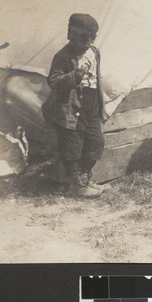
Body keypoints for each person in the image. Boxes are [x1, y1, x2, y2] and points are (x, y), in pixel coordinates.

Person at [45, 13, 107, 197]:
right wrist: (75, 76)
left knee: (96, 143)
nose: (88, 43)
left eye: (91, 39)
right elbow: (53, 82)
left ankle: (84, 179)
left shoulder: (95, 52)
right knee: (73, 146)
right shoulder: (62, 56)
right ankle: (77, 186)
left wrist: (99, 103)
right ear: (71, 36)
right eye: (84, 39)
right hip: (72, 107)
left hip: (92, 104)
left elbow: (97, 79)